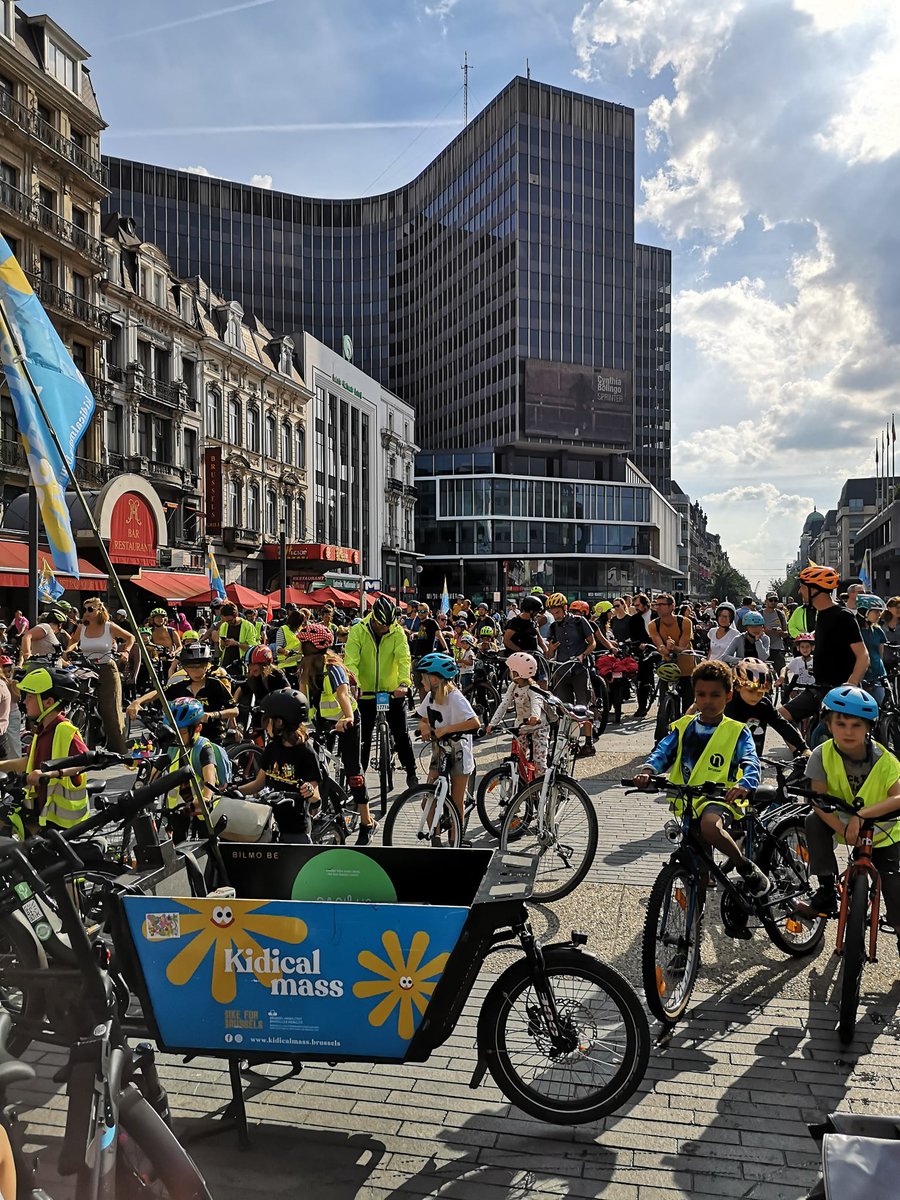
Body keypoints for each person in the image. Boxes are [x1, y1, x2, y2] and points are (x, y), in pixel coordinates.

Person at [633, 658, 769, 898]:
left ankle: (743, 865)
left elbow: (751, 761)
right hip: (687, 799)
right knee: (698, 865)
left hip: (721, 798)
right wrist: (648, 771)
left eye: (715, 695)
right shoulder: (684, 726)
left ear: (728, 696)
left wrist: (745, 784)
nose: (707, 701)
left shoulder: (737, 731)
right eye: (701, 695)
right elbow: (664, 750)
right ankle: (695, 916)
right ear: (694, 696)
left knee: (709, 826)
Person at [802, 686, 900, 941]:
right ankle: (825, 890)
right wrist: (842, 828)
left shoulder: (885, 759)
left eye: (857, 725)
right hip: (840, 823)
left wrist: (862, 815)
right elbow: (818, 800)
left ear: (869, 728)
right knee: (812, 820)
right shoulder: (821, 755)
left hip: (884, 830)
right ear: (827, 723)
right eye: (841, 723)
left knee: (895, 893)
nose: (848, 731)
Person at [298, 622, 376, 844]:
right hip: (323, 721)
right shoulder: (305, 667)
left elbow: (342, 695)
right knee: (314, 765)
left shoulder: (334, 668)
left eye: (305, 646)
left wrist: (348, 717)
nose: (302, 650)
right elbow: (302, 697)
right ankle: (322, 807)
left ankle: (366, 822)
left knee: (354, 772)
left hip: (347, 720)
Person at [782, 562, 869, 733]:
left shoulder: (843, 616)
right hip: (819, 688)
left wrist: (850, 685)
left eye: (802, 588)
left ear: (815, 589)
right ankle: (802, 753)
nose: (800, 592)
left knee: (832, 738)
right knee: (780, 717)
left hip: (840, 692)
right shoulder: (820, 615)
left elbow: (863, 656)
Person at [344, 595, 419, 789]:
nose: (387, 628)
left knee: (401, 733)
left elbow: (404, 658)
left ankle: (411, 772)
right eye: (383, 625)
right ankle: (358, 779)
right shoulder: (358, 630)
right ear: (375, 619)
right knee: (363, 738)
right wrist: (355, 685)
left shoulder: (397, 632)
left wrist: (404, 683)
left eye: (389, 624)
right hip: (366, 692)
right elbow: (351, 661)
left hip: (392, 691)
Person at [0, 667, 88, 830]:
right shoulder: (42, 729)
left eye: (30, 697)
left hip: (63, 822)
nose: (24, 701)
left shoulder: (64, 729)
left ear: (48, 702)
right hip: (43, 812)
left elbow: (85, 762)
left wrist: (50, 774)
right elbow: (30, 762)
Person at [238, 689, 322, 843]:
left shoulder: (306, 753)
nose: (264, 726)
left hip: (295, 827)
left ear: (280, 722)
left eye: (266, 720)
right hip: (270, 821)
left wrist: (309, 791)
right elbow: (258, 783)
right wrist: (235, 790)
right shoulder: (272, 748)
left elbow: (316, 796)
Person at [128, 642, 237, 745]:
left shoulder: (216, 685)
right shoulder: (180, 686)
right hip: (183, 739)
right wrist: (137, 701)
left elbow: (235, 710)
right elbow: (159, 692)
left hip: (212, 737)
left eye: (201, 666)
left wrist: (213, 715)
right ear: (184, 668)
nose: (197, 671)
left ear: (207, 665)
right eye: (191, 667)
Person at [416, 652, 480, 826]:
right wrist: (423, 726)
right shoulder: (431, 697)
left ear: (435, 679)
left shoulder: (456, 698)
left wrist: (447, 729)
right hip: (440, 751)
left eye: (424, 677)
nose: (421, 681)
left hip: (459, 752)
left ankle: (455, 842)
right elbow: (423, 718)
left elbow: (475, 723)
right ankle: (435, 840)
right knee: (428, 799)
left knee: (456, 801)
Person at [66, 598, 134, 754]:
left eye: (90, 609)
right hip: (86, 668)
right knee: (82, 704)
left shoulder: (109, 626)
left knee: (108, 709)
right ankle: (85, 746)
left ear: (99, 610)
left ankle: (118, 749)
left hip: (107, 668)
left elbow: (131, 637)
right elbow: (73, 640)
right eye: (85, 609)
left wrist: (126, 651)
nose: (86, 613)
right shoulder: (82, 627)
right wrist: (68, 650)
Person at [151, 696, 220, 842]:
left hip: (202, 807)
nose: (177, 737)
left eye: (182, 732)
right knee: (177, 843)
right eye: (174, 732)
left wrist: (206, 798)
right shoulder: (172, 747)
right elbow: (156, 769)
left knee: (206, 844)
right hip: (179, 807)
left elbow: (210, 776)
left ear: (197, 728)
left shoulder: (203, 748)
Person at [545, 593, 597, 755]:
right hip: (562, 671)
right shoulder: (553, 627)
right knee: (565, 709)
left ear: (565, 608)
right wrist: (550, 650)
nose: (555, 616)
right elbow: (549, 653)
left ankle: (588, 743)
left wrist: (583, 655)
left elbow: (592, 643)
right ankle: (569, 743)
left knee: (583, 707)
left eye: (558, 612)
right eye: (553, 613)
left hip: (579, 671)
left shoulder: (579, 621)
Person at [724, 658, 808, 757]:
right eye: (751, 691)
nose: (756, 696)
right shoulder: (727, 705)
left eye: (761, 692)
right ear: (737, 687)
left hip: (752, 760)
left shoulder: (764, 705)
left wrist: (804, 748)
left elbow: (782, 725)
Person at [485, 652, 549, 775]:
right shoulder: (513, 686)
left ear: (517, 672)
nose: (509, 672)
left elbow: (537, 703)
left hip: (538, 726)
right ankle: (520, 784)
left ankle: (542, 786)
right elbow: (504, 704)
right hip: (521, 726)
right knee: (518, 757)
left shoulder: (533, 689)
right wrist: (493, 723)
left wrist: (535, 717)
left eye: (510, 670)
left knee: (539, 762)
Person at [649, 592, 695, 713]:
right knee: (664, 705)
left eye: (662, 604)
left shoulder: (685, 622)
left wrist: (673, 647)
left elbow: (683, 647)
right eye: (656, 604)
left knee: (687, 705)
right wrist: (663, 648)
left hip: (686, 667)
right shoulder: (653, 625)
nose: (658, 607)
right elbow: (659, 644)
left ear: (672, 606)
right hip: (668, 667)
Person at [232, 646, 290, 723]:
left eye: (254, 665)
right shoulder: (254, 678)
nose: (251, 669)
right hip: (260, 717)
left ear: (264, 664)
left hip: (277, 716)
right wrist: (233, 705)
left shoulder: (276, 675)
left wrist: (276, 700)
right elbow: (241, 689)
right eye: (249, 665)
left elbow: (288, 689)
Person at [627, 593, 655, 720]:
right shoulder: (634, 620)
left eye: (638, 605)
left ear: (646, 603)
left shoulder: (657, 615)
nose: (636, 607)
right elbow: (633, 637)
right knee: (643, 679)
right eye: (634, 605)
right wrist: (639, 644)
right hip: (644, 651)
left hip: (660, 648)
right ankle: (642, 707)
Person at [856, 594, 888, 705]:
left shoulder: (878, 631)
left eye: (880, 612)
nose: (879, 615)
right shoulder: (854, 631)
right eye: (876, 611)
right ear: (864, 611)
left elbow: (880, 654)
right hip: (859, 677)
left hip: (878, 676)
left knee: (880, 705)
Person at [214, 602, 258, 670]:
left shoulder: (248, 626)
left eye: (230, 620)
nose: (228, 622)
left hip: (241, 665)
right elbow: (221, 648)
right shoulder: (224, 625)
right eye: (226, 620)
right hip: (226, 665)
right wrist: (222, 644)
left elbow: (252, 649)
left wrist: (236, 643)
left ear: (236, 615)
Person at [779, 632, 816, 706]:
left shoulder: (816, 660)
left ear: (812, 647)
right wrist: (782, 676)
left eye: (807, 647)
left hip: (813, 690)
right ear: (798, 648)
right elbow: (785, 668)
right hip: (798, 690)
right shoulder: (797, 660)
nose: (805, 649)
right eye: (802, 647)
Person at [761, 592, 788, 673]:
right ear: (766, 601)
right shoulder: (759, 614)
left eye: (775, 600)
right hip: (762, 648)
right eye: (771, 600)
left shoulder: (780, 614)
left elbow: (786, 633)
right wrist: (765, 631)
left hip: (777, 648)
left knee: (782, 673)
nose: (773, 602)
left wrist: (780, 632)